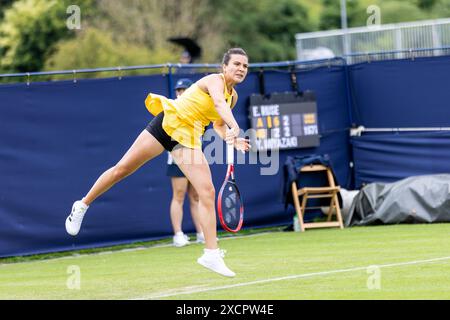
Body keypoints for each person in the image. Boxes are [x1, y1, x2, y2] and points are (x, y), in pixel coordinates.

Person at [65, 48, 250, 277]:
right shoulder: (214, 80)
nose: (241, 69)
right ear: (225, 67)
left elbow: (218, 125)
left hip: (188, 139)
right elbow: (219, 105)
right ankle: (82, 205)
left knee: (207, 191)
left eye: (245, 66)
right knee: (121, 169)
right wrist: (235, 126)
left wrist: (234, 139)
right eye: (237, 64)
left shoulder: (234, 97)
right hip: (167, 124)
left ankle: (211, 253)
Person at [168, 78, 205, 247]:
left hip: (195, 157)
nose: (180, 92)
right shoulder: (173, 108)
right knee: (179, 195)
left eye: (184, 89)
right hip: (177, 157)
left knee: (196, 196)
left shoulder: (198, 109)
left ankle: (201, 233)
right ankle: (178, 235)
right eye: (178, 90)